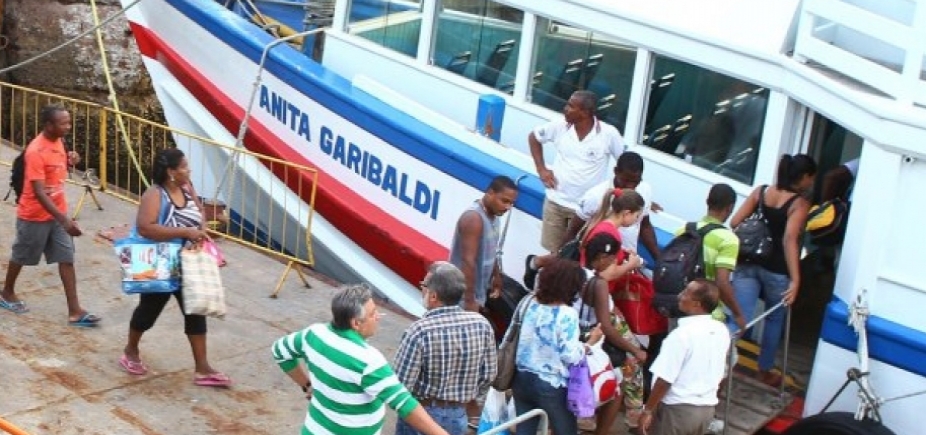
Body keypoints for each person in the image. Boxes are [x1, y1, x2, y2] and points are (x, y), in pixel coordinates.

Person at [271, 284, 450, 435]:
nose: (378, 317)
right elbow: (404, 404)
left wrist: (307, 385)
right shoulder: (367, 360)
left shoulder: (313, 334)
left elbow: (279, 351)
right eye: (373, 314)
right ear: (356, 323)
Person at [120, 148, 229, 387]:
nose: (188, 171)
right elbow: (145, 228)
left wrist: (200, 231)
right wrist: (185, 232)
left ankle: (202, 368)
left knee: (195, 311)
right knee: (149, 311)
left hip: (187, 262)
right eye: (184, 167)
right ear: (171, 172)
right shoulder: (154, 195)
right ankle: (130, 350)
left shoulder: (187, 188)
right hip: (160, 262)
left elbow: (199, 212)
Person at [0, 105, 100, 326]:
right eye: (64, 123)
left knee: (66, 258)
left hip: (57, 213)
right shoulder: (36, 151)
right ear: (49, 125)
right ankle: (7, 292)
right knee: (22, 255)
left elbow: (56, 168)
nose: (68, 126)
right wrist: (64, 220)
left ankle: (75, 311)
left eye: (68, 122)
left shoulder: (59, 141)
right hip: (34, 215)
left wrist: (71, 160)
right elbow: (38, 191)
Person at [729, 154, 816, 387]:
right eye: (811, 178)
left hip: (748, 262)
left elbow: (735, 221)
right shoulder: (799, 204)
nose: (812, 183)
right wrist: (796, 280)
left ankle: (718, 360)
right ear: (804, 177)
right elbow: (789, 240)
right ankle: (764, 370)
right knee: (774, 319)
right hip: (777, 269)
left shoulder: (761, 192)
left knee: (740, 316)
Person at [393, 262, 497, 435]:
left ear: (433, 296)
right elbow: (488, 375)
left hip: (421, 413)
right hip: (459, 414)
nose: (421, 288)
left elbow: (400, 386)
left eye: (424, 285)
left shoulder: (420, 331)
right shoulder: (481, 324)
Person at [529, 90, 626, 252]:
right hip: (555, 202)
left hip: (588, 209)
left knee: (579, 254)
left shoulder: (609, 134)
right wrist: (541, 169)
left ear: (585, 112)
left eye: (571, 106)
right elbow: (534, 137)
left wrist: (629, 192)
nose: (565, 108)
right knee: (554, 253)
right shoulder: (559, 126)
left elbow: (625, 163)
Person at [510, 258, 599, 435]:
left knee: (525, 430)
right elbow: (570, 356)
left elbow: (512, 334)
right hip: (550, 383)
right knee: (565, 430)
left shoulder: (528, 303)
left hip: (521, 377)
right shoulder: (567, 313)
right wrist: (590, 343)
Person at [639, 279, 731, 435]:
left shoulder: (681, 335)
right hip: (706, 411)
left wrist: (648, 411)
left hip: (676, 412)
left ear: (696, 304)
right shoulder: (721, 330)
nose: (680, 296)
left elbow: (664, 379)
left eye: (686, 293)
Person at [577, 233, 648, 434]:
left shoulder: (578, 273)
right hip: (597, 339)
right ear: (602, 258)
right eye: (613, 259)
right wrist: (635, 350)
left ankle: (586, 419)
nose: (614, 263)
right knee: (620, 380)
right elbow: (606, 326)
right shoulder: (597, 283)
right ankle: (631, 421)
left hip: (580, 336)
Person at [565, 151, 660, 260]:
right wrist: (563, 259)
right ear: (616, 171)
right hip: (599, 261)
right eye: (626, 181)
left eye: (636, 182)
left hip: (625, 258)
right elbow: (573, 230)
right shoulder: (595, 196)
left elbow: (645, 225)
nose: (631, 186)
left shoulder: (645, 190)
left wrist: (658, 258)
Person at [448, 175, 518, 313]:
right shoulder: (473, 219)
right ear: (490, 193)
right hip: (460, 296)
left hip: (478, 292)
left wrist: (496, 275)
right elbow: (468, 261)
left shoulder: (495, 216)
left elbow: (491, 249)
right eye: (504, 201)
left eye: (511, 203)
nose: (508, 207)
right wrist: (469, 301)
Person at [685, 183, 747, 332]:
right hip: (707, 314)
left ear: (707, 201)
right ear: (730, 208)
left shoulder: (686, 229)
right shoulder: (728, 239)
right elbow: (722, 282)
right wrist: (738, 314)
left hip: (681, 304)